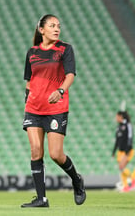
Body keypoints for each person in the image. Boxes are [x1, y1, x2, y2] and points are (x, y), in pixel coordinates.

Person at [21, 14, 86, 208]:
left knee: (56, 154)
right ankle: (42, 199)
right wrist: (27, 102)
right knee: (35, 151)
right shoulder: (32, 52)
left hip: (56, 108)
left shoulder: (65, 49)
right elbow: (29, 80)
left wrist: (60, 90)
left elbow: (70, 75)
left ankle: (76, 180)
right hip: (33, 108)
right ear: (41, 30)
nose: (57, 29)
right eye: (52, 26)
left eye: (58, 26)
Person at [111, 110, 134, 192]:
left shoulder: (128, 125)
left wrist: (127, 151)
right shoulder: (119, 127)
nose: (116, 118)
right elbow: (117, 140)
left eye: (117, 116)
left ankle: (132, 179)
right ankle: (126, 186)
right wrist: (114, 151)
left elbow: (130, 138)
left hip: (127, 150)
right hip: (120, 151)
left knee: (122, 167)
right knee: (121, 168)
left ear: (121, 116)